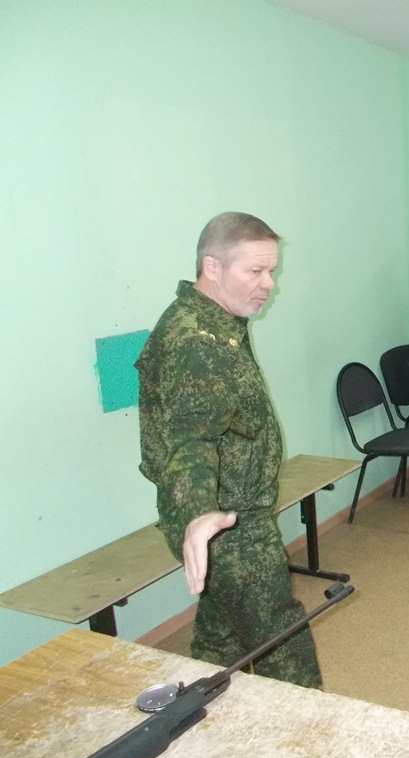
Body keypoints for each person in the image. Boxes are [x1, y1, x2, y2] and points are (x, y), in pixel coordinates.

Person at [135, 212, 322, 689]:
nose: (269, 284)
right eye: (255, 271)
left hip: (232, 507)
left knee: (221, 640)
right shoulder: (197, 343)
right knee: (283, 641)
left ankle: (199, 709)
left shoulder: (218, 320)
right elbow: (190, 442)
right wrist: (199, 514)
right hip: (226, 520)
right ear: (212, 267)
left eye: (271, 270)